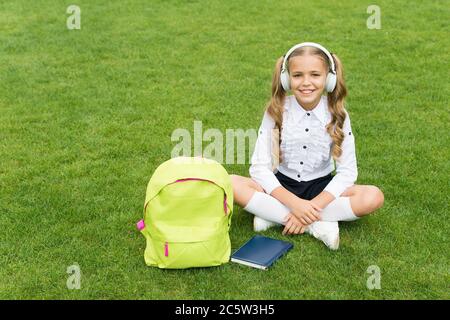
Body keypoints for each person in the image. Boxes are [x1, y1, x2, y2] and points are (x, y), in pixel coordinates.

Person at [231, 42, 384, 250]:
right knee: (230, 183)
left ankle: (277, 217)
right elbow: (259, 168)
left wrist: (315, 204)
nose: (306, 83)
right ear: (286, 79)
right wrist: (295, 203)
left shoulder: (338, 114)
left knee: (372, 196)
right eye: (297, 75)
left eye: (315, 75)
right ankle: (316, 224)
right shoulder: (276, 111)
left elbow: (347, 173)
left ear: (329, 79)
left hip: (321, 188)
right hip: (282, 185)